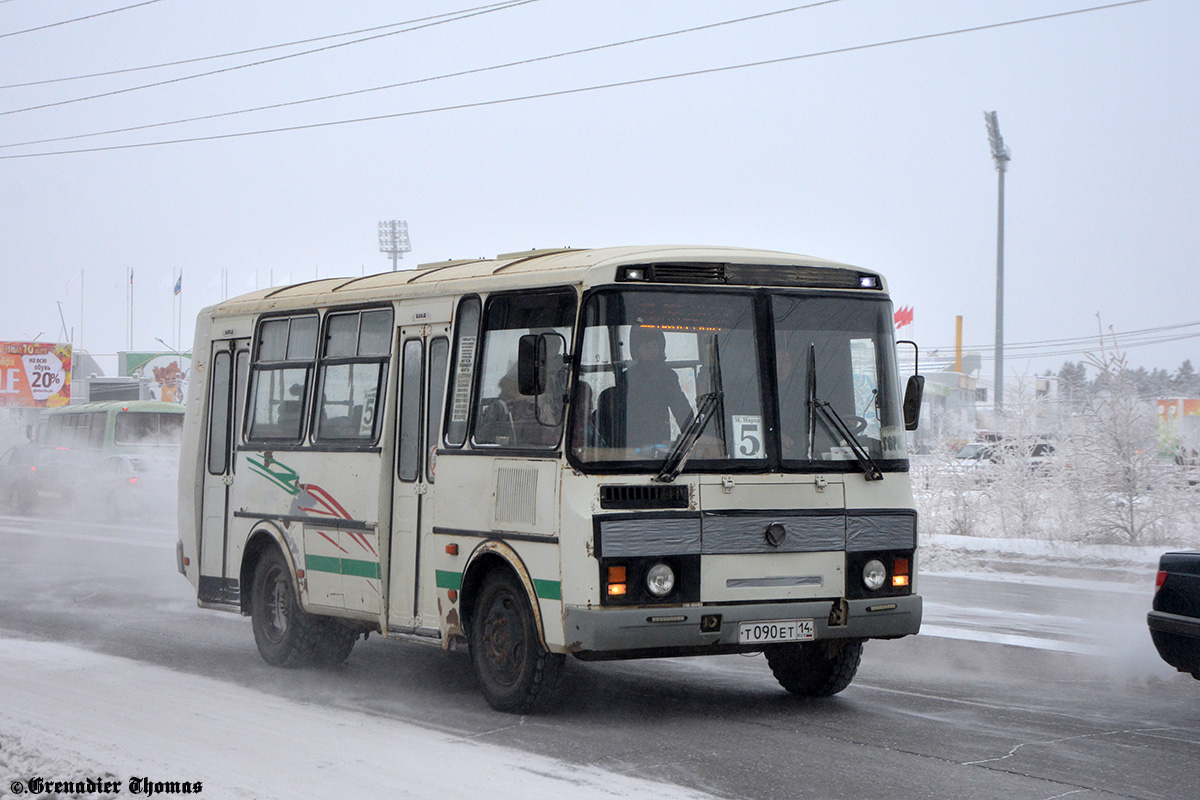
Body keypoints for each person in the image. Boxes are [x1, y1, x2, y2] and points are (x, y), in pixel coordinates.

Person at [622, 325, 693, 448]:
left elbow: (681, 408)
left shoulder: (668, 376)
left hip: (659, 440)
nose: (652, 350)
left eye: (654, 346)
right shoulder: (627, 377)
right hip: (630, 440)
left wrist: (693, 434)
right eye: (646, 347)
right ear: (637, 350)